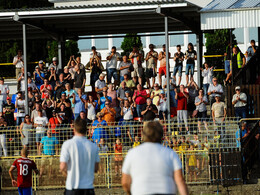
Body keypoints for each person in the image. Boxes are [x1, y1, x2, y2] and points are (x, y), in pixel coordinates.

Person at [122, 121, 188, 195]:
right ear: (161, 135)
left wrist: (131, 192)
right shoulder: (170, 153)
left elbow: (125, 182)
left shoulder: (132, 153)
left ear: (143, 134)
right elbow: (180, 180)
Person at [60, 118, 100, 194]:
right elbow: (96, 168)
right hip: (88, 188)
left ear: (74, 129)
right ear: (86, 130)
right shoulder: (93, 146)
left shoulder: (67, 144)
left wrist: (69, 176)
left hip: (72, 187)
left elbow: (62, 167)